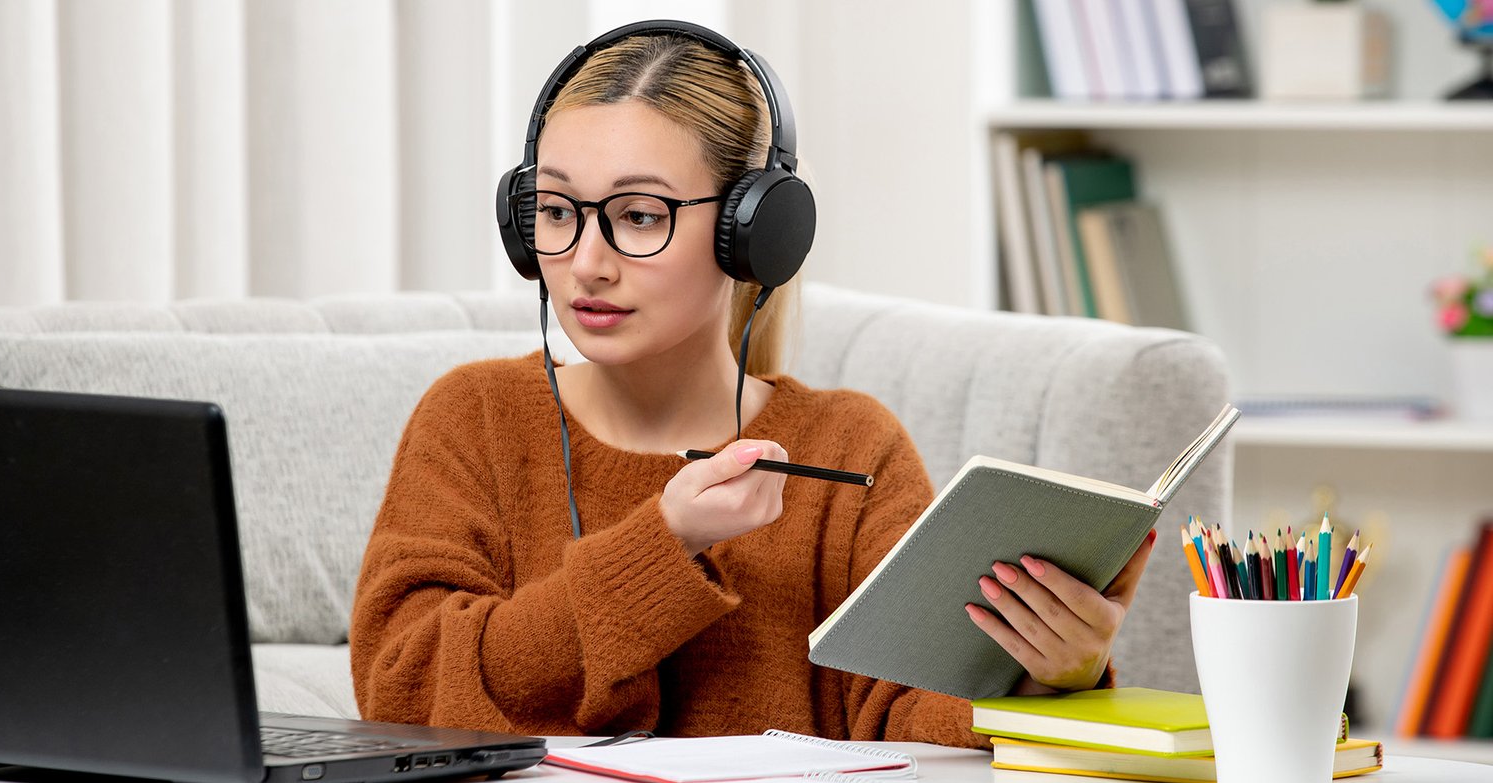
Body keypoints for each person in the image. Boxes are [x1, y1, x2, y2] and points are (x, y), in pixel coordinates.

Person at [349, 22, 1156, 747]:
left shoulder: (851, 448)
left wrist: (1054, 676)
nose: (586, 261)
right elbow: (402, 685)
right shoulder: (475, 417)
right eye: (557, 209)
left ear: (754, 231)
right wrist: (663, 543)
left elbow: (911, 720)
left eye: (637, 215)